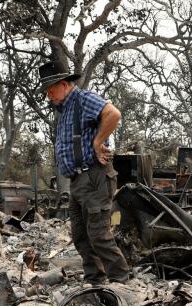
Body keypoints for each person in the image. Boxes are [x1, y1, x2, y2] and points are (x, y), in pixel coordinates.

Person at [38, 53, 130, 285]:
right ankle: (95, 281)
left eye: (51, 89)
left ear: (64, 84)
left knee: (99, 234)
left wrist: (98, 142)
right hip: (78, 181)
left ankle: (122, 281)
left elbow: (113, 114)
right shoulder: (64, 111)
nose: (49, 95)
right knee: (80, 236)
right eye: (46, 91)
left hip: (94, 176)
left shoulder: (82, 99)